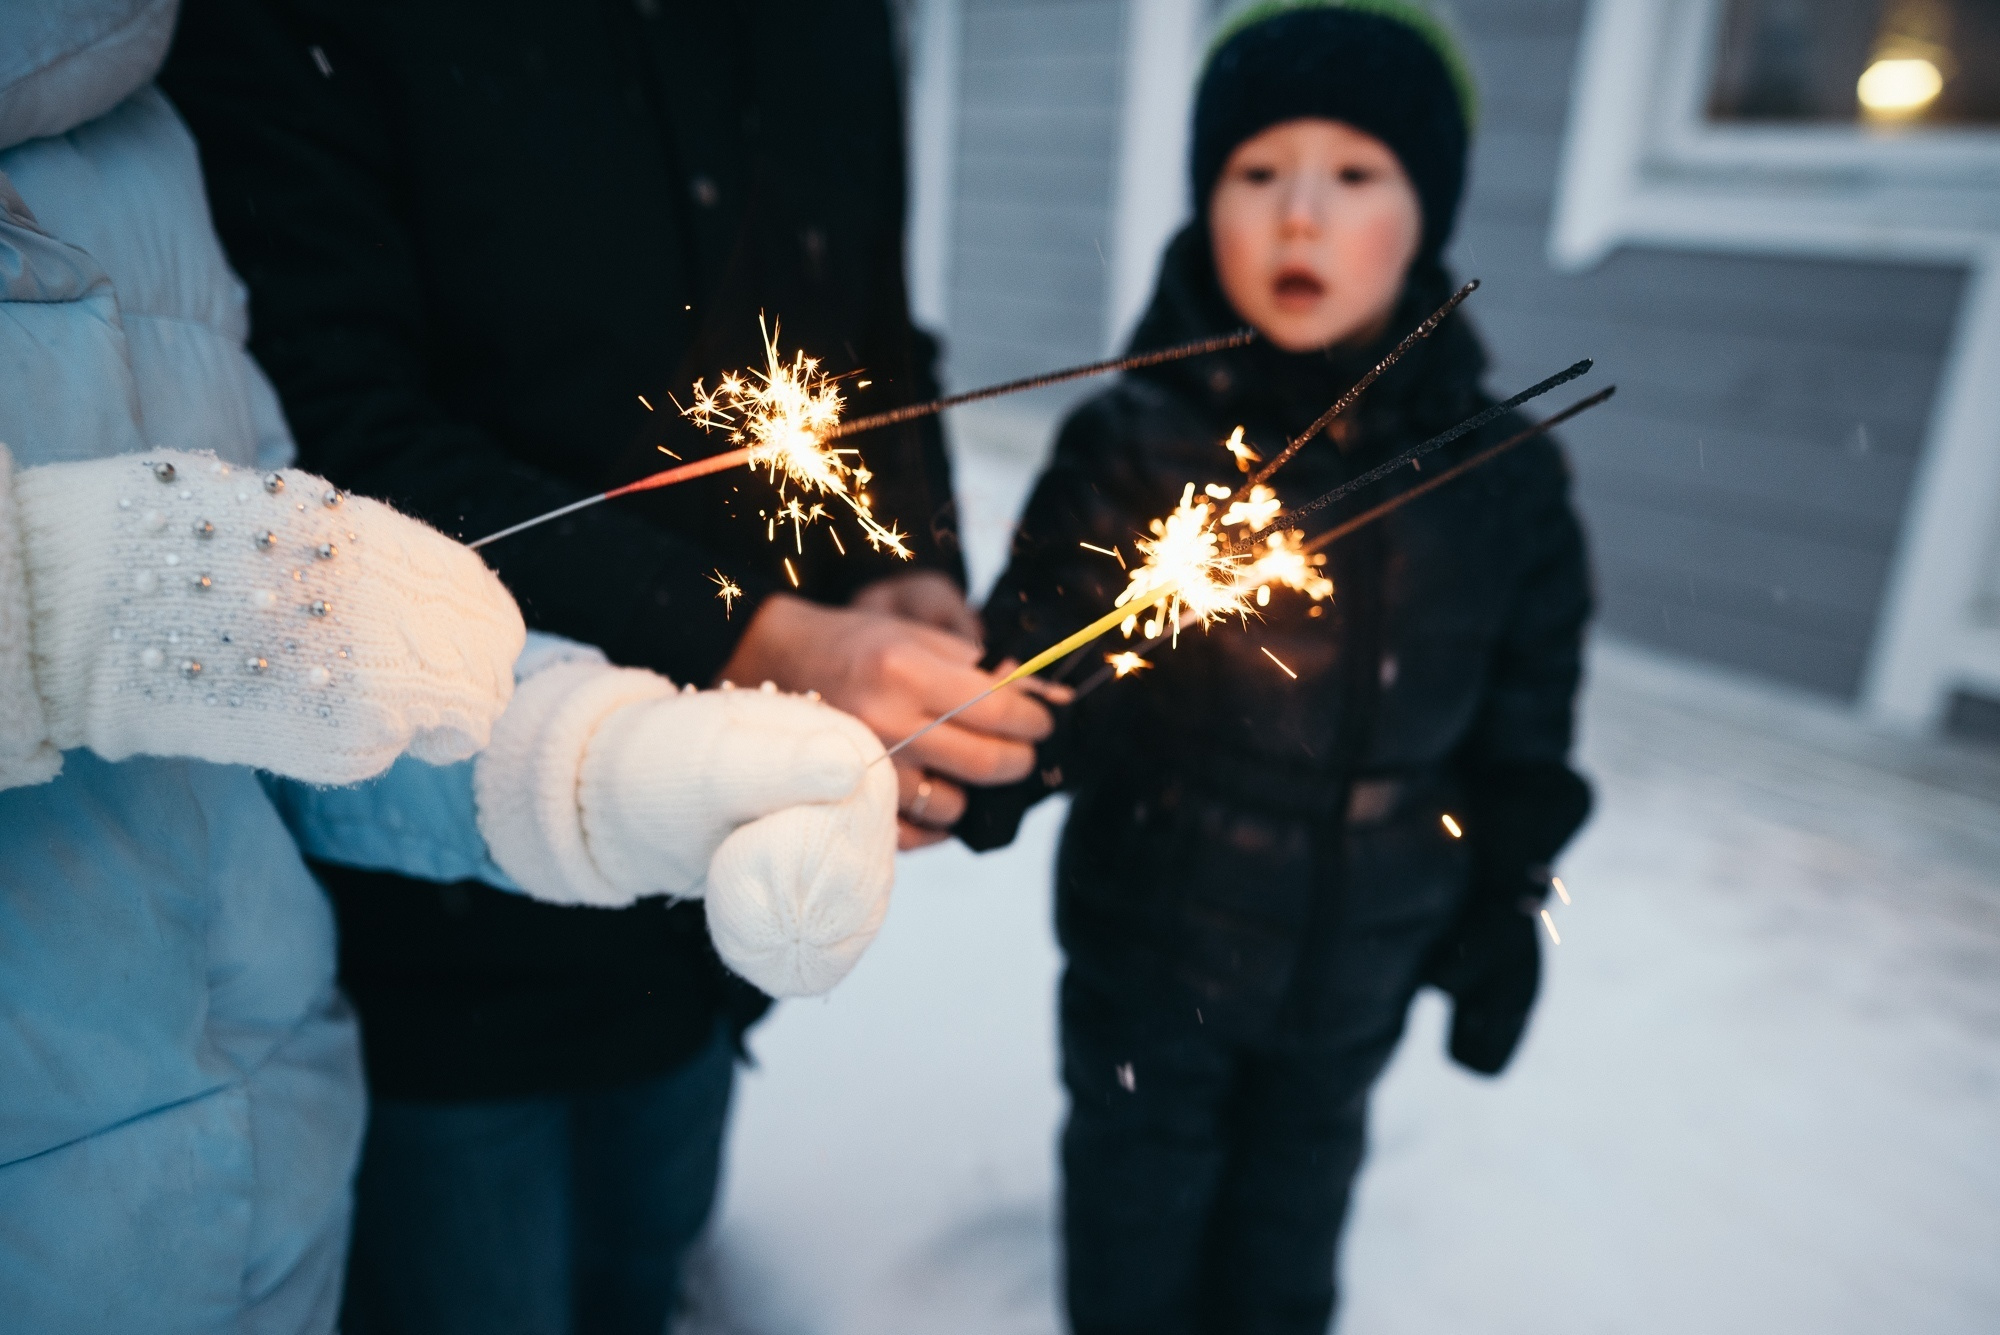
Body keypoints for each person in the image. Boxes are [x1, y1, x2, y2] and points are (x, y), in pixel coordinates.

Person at [159, 2, 1056, 1330]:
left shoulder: (833, 27)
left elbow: (863, 326)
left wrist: (900, 556)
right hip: (443, 923)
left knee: (645, 1278)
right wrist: (747, 631)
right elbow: (338, 432)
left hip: (707, 927)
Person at [0, 4, 898, 1330]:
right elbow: (293, 511)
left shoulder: (148, 137)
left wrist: (588, 763)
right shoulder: (290, 49)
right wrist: (58, 601)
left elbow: (288, 665)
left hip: (272, 1171)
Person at [959, 4, 1594, 1331]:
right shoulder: (1131, 443)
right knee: (1137, 1234)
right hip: (1155, 949)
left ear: (1428, 214)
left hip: (1365, 956)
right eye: (1257, 173)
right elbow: (1041, 660)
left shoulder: (1506, 478)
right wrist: (998, 744)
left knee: (1288, 1244)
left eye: (1356, 173)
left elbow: (1525, 727)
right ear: (1205, 204)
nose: (1299, 215)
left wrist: (1504, 894)